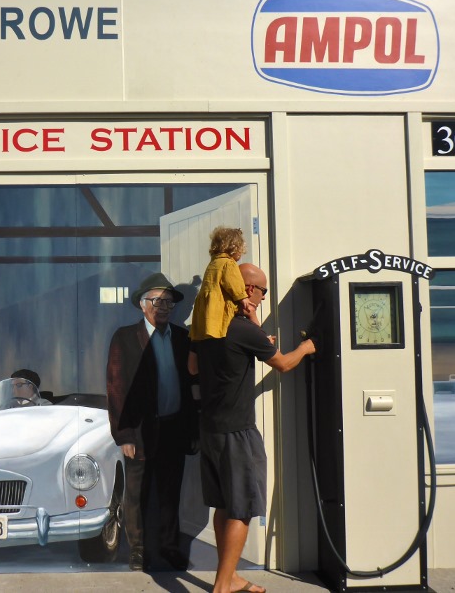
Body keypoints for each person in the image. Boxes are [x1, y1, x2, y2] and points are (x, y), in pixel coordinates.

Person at [192, 263, 315, 593]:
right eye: (262, 291)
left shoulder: (205, 325)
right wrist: (306, 347)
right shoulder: (243, 330)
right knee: (243, 508)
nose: (263, 297)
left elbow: (193, 366)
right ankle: (222, 586)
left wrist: (253, 334)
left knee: (223, 505)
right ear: (246, 289)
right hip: (238, 433)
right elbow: (284, 364)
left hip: (212, 429)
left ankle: (230, 577)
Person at [106, 272, 198, 572]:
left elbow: (189, 385)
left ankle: (169, 547)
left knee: (171, 492)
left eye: (169, 302)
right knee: (136, 493)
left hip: (174, 427)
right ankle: (137, 549)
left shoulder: (183, 338)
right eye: (157, 301)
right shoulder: (124, 337)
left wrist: (192, 430)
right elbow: (116, 388)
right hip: (141, 431)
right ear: (143, 305)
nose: (164, 306)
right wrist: (125, 435)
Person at [190, 226, 249, 342]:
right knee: (221, 327)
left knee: (210, 324)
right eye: (240, 250)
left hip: (207, 308)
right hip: (220, 306)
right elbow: (233, 282)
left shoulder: (214, 262)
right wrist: (243, 297)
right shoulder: (228, 263)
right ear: (234, 248)